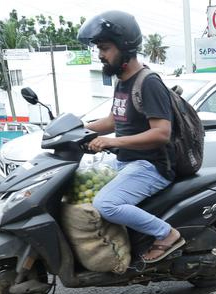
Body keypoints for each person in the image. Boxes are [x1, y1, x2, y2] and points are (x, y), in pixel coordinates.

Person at [79, 10, 184, 264]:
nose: (101, 55)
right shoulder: (122, 82)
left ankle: (167, 234)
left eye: (105, 48)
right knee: (76, 186)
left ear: (124, 47)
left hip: (151, 166)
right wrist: (79, 128)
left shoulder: (149, 83)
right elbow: (114, 121)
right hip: (125, 162)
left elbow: (161, 133)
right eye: (99, 50)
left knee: (107, 204)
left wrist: (113, 141)